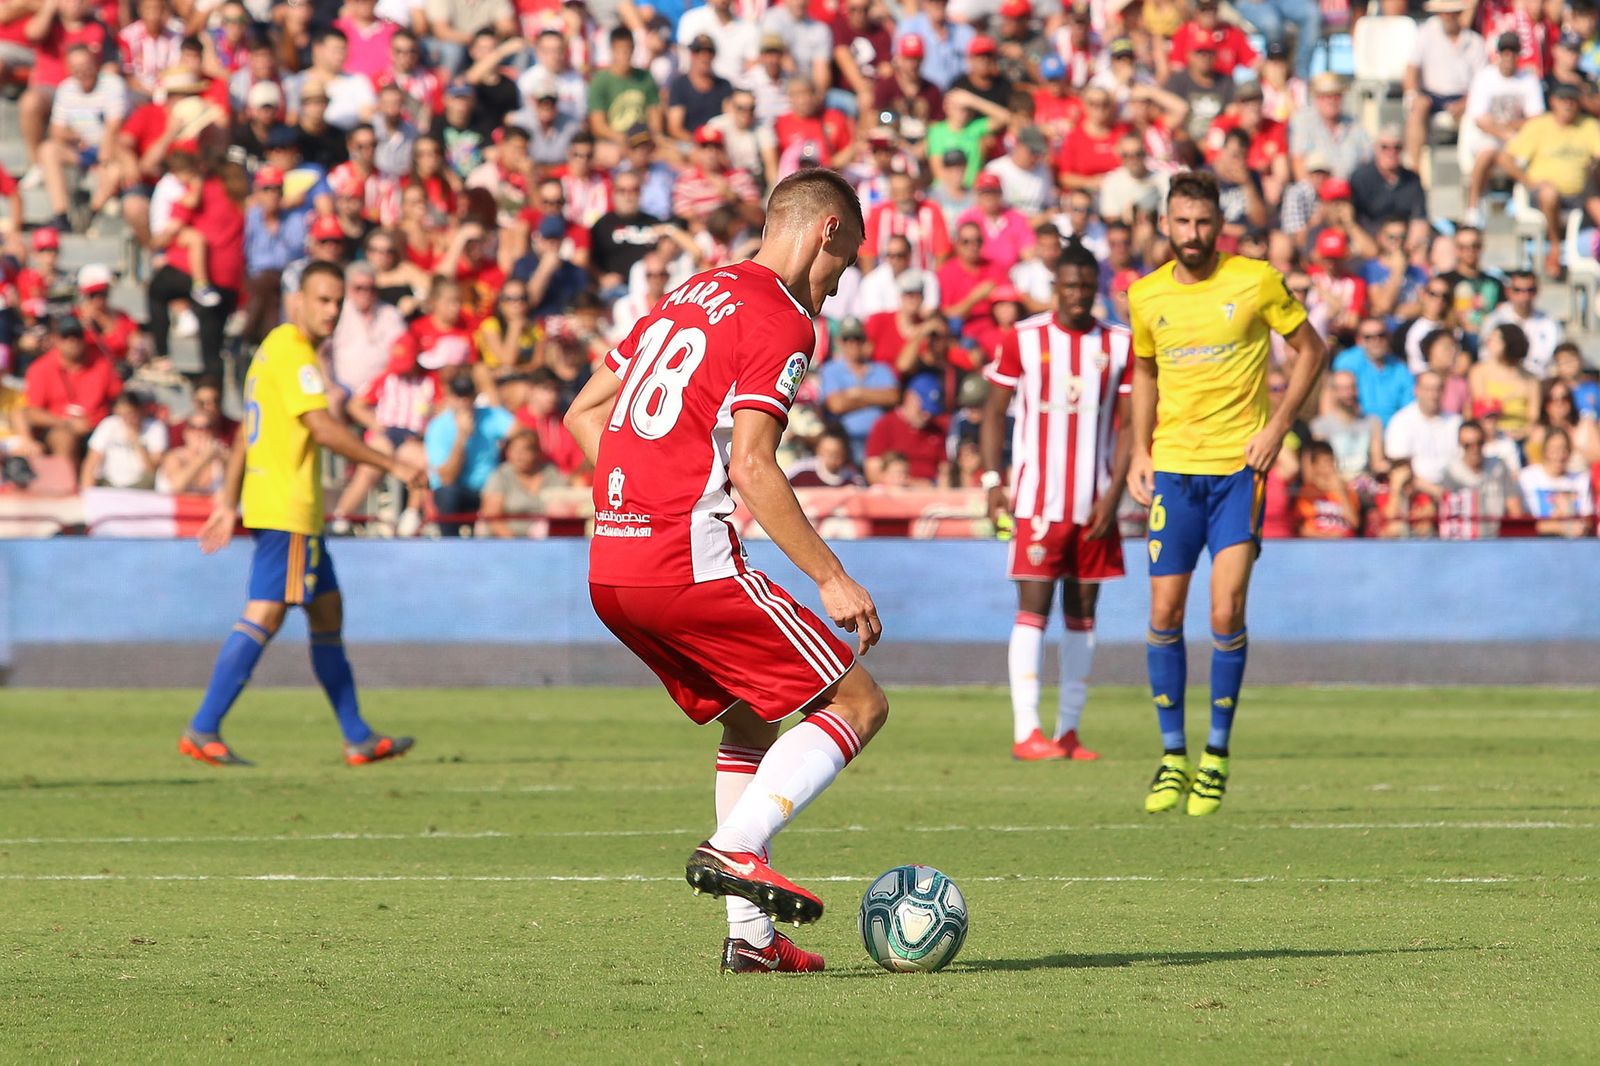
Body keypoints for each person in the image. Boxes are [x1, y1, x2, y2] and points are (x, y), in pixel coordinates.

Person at [563, 167, 887, 974]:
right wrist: (831, 576)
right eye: (841, 271)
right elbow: (752, 466)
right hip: (684, 557)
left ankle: (751, 942)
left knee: (751, 717)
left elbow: (583, 411)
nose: (835, 291)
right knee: (859, 700)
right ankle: (738, 847)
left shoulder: (688, 294)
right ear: (827, 233)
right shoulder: (780, 317)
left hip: (613, 561)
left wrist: (629, 498)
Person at [1126, 170, 1328, 817]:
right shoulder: (1146, 294)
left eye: (1203, 222)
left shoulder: (1255, 280)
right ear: (1166, 224)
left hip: (1239, 469)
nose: (1192, 233)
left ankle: (1216, 755)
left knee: (1224, 614)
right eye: (1181, 222)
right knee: (1162, 614)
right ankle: (1172, 756)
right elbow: (1145, 371)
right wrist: (1138, 450)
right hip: (1175, 473)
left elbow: (1311, 349)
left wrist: (1276, 427)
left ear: (1219, 224)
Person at [181, 261, 428, 768]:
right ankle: (204, 727)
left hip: (291, 510)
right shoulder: (294, 354)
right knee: (266, 614)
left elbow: (243, 443)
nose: (331, 310)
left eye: (337, 301)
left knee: (327, 611)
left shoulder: (271, 350)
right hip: (288, 508)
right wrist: (393, 464)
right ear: (297, 300)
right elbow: (323, 429)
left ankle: (357, 735)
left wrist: (228, 503)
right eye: (322, 299)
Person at [979, 238, 1132, 763]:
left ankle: (1069, 731)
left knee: (1084, 612)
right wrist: (992, 479)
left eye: (1087, 287)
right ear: (1054, 288)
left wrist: (1114, 493)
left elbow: (1132, 423)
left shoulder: (1119, 344)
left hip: (1096, 503)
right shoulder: (1022, 338)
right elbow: (994, 412)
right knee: (1033, 609)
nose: (1077, 296)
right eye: (1069, 286)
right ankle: (1028, 731)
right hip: (1038, 502)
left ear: (1096, 289)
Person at [817, 317, 898, 459]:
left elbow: (893, 397)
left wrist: (857, 393)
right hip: (846, 442)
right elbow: (837, 405)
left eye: (857, 338)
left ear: (864, 340)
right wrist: (875, 399)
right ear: (839, 342)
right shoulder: (830, 370)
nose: (853, 343)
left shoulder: (881, 369)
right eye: (847, 339)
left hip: (879, 442)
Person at [1384, 371, 1462, 495]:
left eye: (1438, 389)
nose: (1433, 395)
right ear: (1416, 390)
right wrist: (1436, 491)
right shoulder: (1401, 421)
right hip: (1416, 491)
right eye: (1428, 389)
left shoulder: (1456, 422)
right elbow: (1400, 468)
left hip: (1454, 488)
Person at [480, 428, 568, 538]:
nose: (519, 456)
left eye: (525, 450)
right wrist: (515, 543)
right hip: (507, 541)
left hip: (545, 541)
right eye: (514, 450)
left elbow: (564, 506)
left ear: (536, 452)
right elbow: (492, 516)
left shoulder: (551, 474)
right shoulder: (500, 476)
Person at [81, 390, 166, 489]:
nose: (127, 420)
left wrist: (137, 442)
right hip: (109, 483)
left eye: (131, 414)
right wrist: (86, 493)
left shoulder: (155, 428)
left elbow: (152, 469)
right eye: (122, 415)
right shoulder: (109, 424)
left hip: (141, 485)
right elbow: (91, 462)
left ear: (140, 411)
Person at [1518, 427, 1594, 536]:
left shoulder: (1581, 479)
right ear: (1545, 450)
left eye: (1564, 449)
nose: (1560, 455)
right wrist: (1560, 528)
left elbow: (1587, 518)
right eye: (1554, 449)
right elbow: (1526, 522)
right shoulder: (1527, 477)